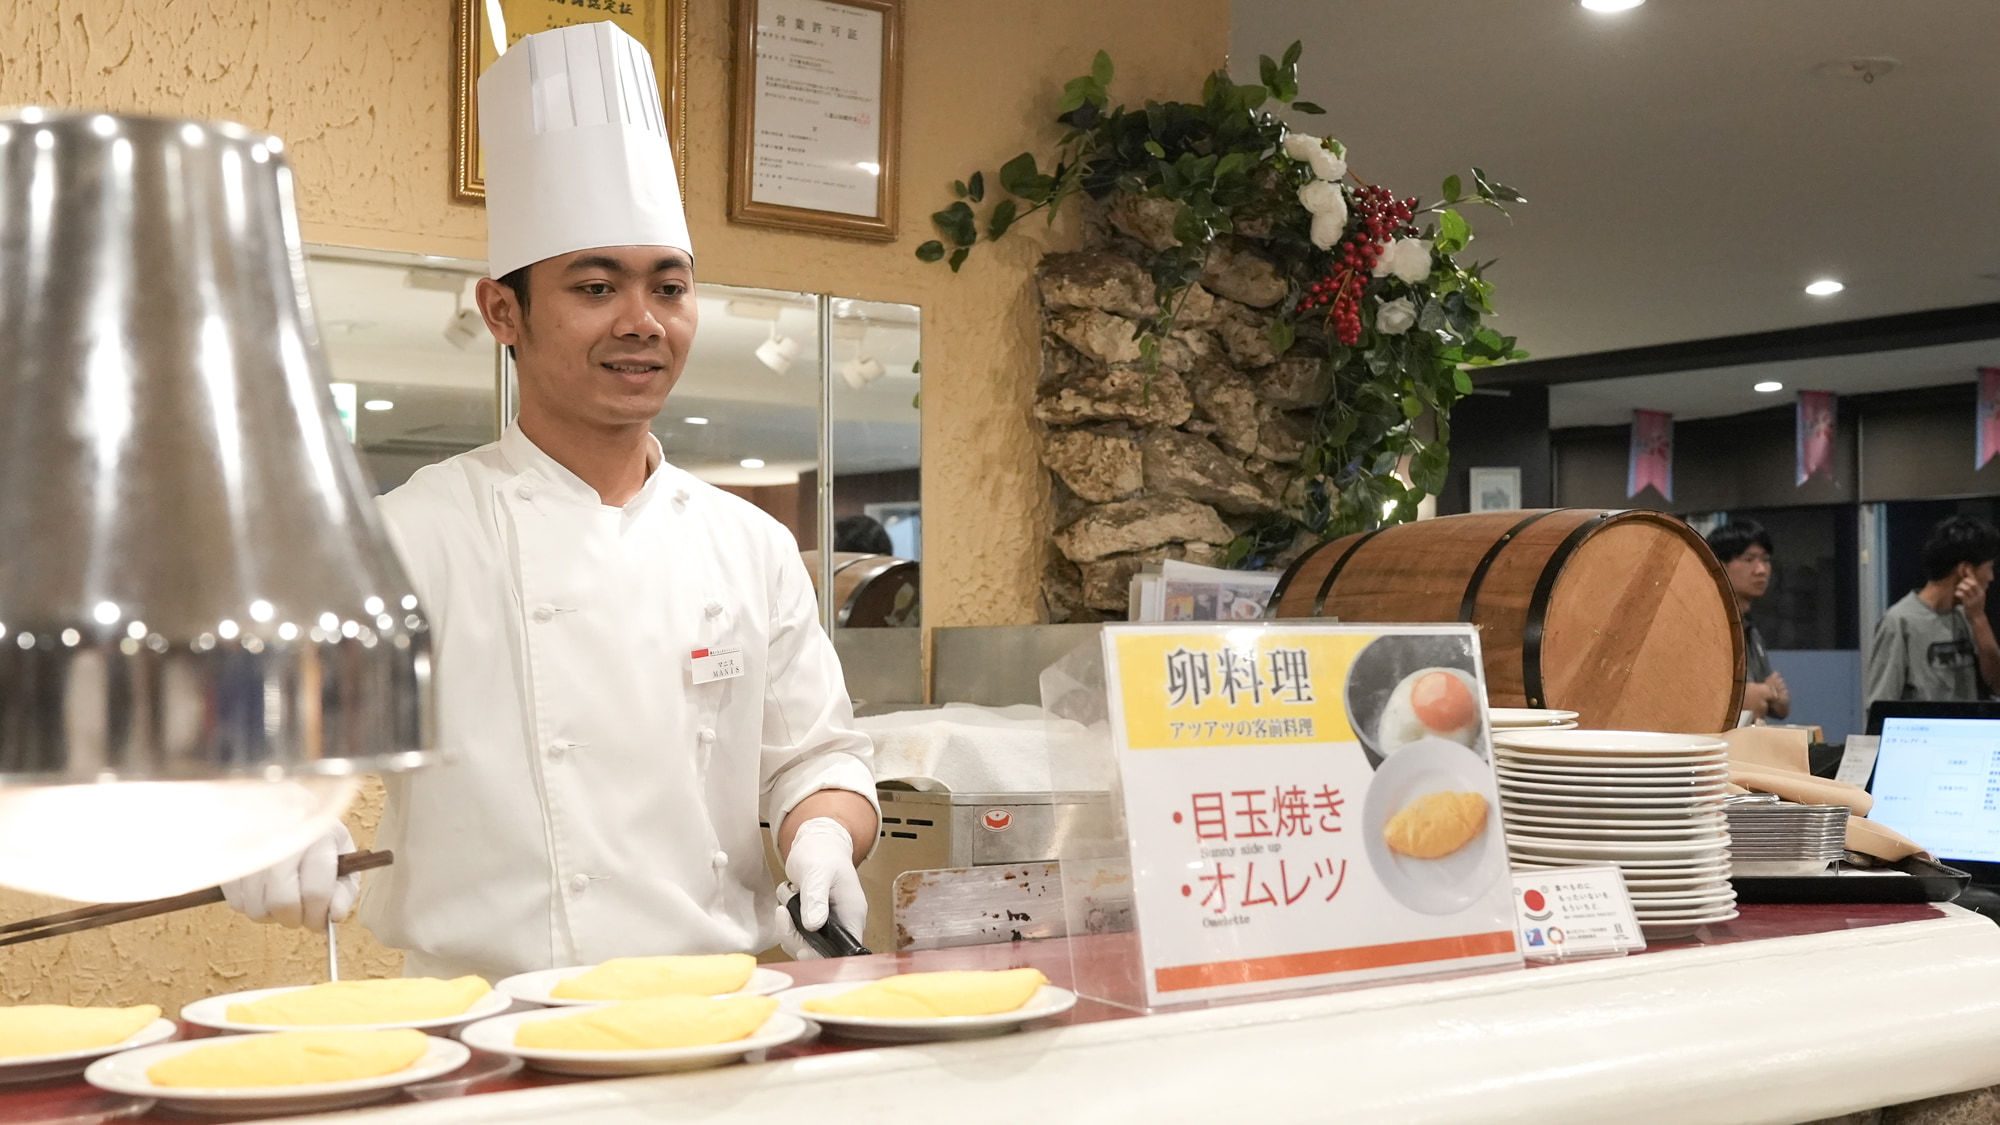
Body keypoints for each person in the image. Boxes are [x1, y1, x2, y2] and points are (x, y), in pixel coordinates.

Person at [221, 22, 879, 978]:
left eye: (669, 286)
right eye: (596, 285)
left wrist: (823, 838)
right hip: (487, 1027)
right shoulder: (411, 536)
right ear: (503, 312)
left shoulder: (751, 544)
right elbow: (279, 746)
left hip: (715, 1011)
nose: (641, 322)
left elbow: (817, 761)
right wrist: (272, 823)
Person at [1863, 514, 2000, 709]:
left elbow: (1996, 684)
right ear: (1966, 570)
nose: (1991, 577)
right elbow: (1879, 705)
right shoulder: (1900, 621)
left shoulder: (1966, 615)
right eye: (1989, 568)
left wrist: (1978, 619)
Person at [1705, 521, 1788, 721]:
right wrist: (1752, 695)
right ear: (1720, 565)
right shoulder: (1707, 627)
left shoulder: (1751, 631)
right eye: (1749, 559)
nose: (1761, 570)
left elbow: (1780, 705)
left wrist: (1764, 693)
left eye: (1765, 560)